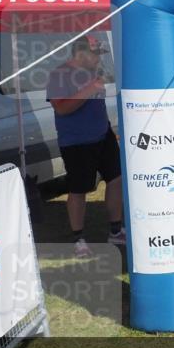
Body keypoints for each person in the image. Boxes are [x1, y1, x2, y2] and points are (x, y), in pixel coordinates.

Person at [46, 35, 125, 259]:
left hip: (103, 135)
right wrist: (89, 89)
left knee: (117, 179)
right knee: (79, 190)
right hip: (76, 143)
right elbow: (61, 108)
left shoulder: (92, 74)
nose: (99, 59)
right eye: (95, 54)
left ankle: (115, 230)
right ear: (80, 54)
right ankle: (78, 239)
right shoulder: (59, 75)